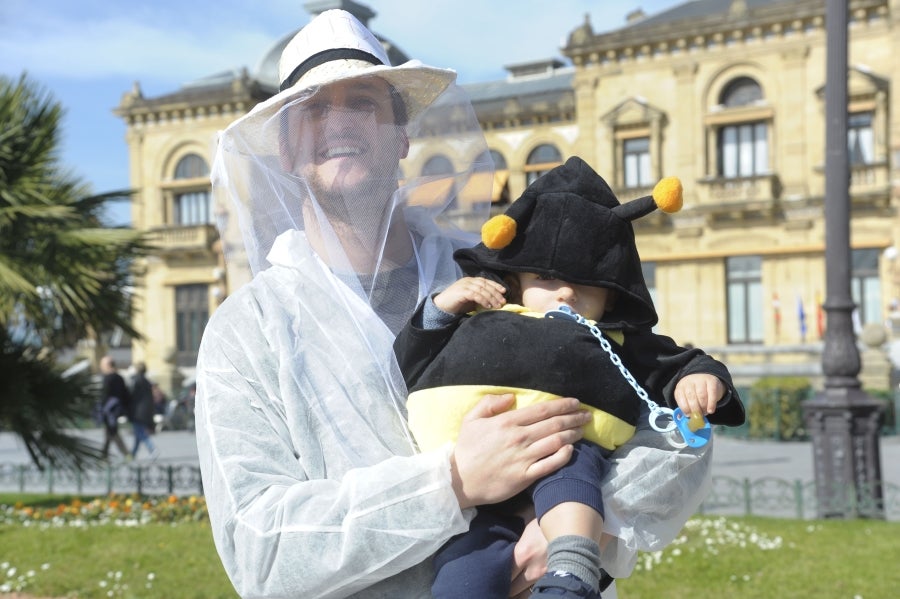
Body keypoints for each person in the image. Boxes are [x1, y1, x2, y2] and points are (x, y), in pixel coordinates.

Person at [196, 9, 730, 599]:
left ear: (402, 137)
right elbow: (258, 547)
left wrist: (586, 529)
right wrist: (451, 481)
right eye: (315, 108)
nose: (339, 122)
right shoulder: (248, 331)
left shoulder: (505, 275)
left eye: (364, 102)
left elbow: (670, 427)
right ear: (286, 151)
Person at [393, 156, 746, 598]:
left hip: (564, 457)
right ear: (517, 281)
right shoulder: (482, 315)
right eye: (545, 276)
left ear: (613, 296)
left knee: (573, 477)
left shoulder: (614, 338)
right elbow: (408, 364)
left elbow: (676, 362)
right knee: (463, 572)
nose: (564, 291)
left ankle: (571, 575)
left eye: (585, 283)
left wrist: (700, 379)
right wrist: (442, 308)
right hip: (474, 495)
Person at [98, 355, 130, 460]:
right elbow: (125, 394)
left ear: (107, 365)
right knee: (110, 432)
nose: (101, 367)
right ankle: (105, 455)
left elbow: (104, 395)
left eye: (102, 365)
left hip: (108, 410)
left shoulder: (108, 378)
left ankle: (125, 454)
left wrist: (101, 409)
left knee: (112, 431)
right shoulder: (120, 377)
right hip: (116, 409)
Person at [128, 362, 159, 460]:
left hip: (137, 411)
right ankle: (132, 454)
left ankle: (152, 449)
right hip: (146, 411)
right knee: (138, 433)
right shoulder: (147, 382)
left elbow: (131, 396)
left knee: (140, 433)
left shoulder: (136, 380)